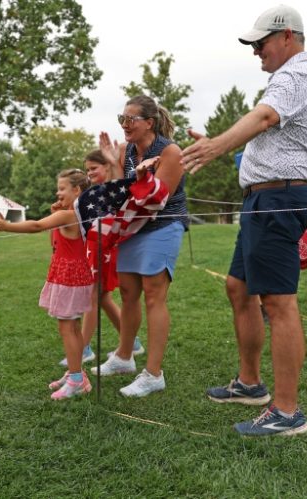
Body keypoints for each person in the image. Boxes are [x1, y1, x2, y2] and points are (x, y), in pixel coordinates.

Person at [181, 5, 307, 436]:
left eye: (260, 43)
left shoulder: (296, 75)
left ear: (287, 37)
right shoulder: (298, 80)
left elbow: (263, 118)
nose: (255, 52)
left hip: (277, 200)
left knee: (279, 304)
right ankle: (250, 385)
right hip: (270, 201)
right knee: (239, 287)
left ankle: (287, 413)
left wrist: (216, 147)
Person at [92, 94, 188, 397]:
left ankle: (154, 374)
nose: (124, 124)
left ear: (149, 122)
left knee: (153, 296)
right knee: (128, 292)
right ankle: (123, 358)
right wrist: (113, 164)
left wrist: (140, 179)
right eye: (122, 118)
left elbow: (154, 200)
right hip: (133, 226)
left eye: (131, 119)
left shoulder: (170, 152)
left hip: (161, 224)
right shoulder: (126, 151)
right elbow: (122, 192)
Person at [0, 169, 95, 400]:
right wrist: (55, 214)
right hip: (74, 275)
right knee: (73, 327)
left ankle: (76, 379)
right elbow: (54, 242)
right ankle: (76, 374)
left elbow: (37, 226)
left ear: (77, 190)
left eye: (62, 189)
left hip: (69, 277)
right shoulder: (72, 214)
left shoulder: (70, 216)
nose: (57, 193)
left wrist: (6, 226)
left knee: (67, 328)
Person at [58, 150, 145, 368]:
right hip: (97, 247)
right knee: (102, 297)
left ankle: (84, 348)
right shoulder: (96, 192)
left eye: (94, 168)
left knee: (94, 296)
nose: (90, 173)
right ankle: (132, 342)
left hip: (107, 248)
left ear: (107, 167)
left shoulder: (112, 190)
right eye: (87, 170)